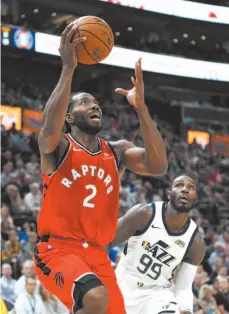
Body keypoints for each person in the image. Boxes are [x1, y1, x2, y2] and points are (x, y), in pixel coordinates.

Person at [34, 22, 167, 314]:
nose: (94, 106)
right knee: (94, 297)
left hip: (97, 255)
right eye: (84, 103)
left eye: (95, 103)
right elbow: (47, 130)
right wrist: (68, 68)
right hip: (56, 250)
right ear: (69, 116)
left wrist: (142, 109)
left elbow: (158, 165)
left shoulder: (116, 152)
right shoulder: (59, 149)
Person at [114, 173, 206, 314]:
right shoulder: (144, 214)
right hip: (123, 284)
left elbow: (183, 287)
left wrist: (187, 310)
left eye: (191, 187)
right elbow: (106, 240)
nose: (185, 190)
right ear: (169, 194)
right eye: (179, 185)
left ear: (195, 200)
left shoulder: (196, 242)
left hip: (157, 294)